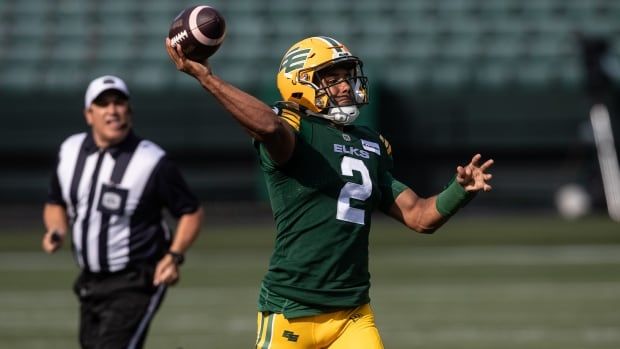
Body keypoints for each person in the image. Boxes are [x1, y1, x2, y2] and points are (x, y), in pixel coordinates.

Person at [166, 35, 493, 348]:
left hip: (352, 312)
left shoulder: (370, 142)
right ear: (300, 83)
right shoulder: (296, 131)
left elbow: (419, 216)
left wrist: (460, 191)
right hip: (291, 309)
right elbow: (268, 126)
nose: (344, 86)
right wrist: (207, 78)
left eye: (346, 77)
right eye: (331, 78)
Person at [41, 75, 204, 349]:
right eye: (103, 104)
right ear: (88, 114)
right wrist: (56, 229)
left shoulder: (151, 160)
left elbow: (191, 211)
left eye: (119, 102)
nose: (113, 110)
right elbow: (55, 201)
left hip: (136, 280)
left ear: (130, 110)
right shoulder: (69, 152)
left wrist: (174, 255)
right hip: (90, 281)